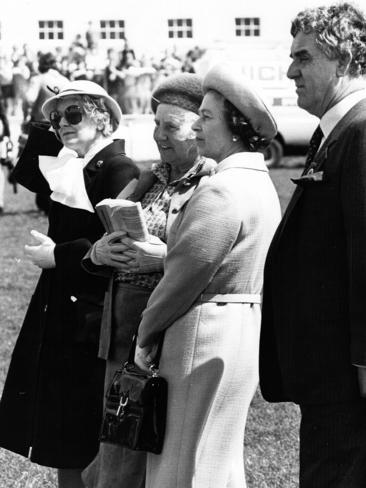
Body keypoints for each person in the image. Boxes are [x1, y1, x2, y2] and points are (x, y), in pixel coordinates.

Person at [134, 64, 281, 488]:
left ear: (236, 127)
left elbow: (182, 277)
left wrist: (145, 334)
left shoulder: (221, 188)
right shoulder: (258, 181)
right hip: (239, 329)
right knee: (216, 461)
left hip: (202, 332)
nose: (196, 126)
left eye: (208, 117)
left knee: (184, 465)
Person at [0, 80, 139, 488]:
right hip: (62, 304)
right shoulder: (74, 162)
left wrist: (58, 256)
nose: (61, 123)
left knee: (81, 431)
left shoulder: (118, 168)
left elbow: (117, 243)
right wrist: (51, 102)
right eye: (57, 117)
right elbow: (27, 170)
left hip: (91, 313)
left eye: (73, 114)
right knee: (63, 433)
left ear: (103, 118)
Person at [81, 72, 216, 488]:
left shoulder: (211, 183)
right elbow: (98, 244)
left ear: (199, 129)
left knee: (156, 452)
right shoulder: (148, 178)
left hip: (167, 339)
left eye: (170, 127)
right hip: (121, 338)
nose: (159, 135)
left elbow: (210, 261)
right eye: (155, 124)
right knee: (117, 448)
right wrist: (98, 253)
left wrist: (163, 259)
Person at [259, 3, 366, 487]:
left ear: (342, 59)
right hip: (332, 377)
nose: (290, 70)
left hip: (349, 380)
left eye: (303, 58)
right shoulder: (339, 132)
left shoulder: (360, 132)